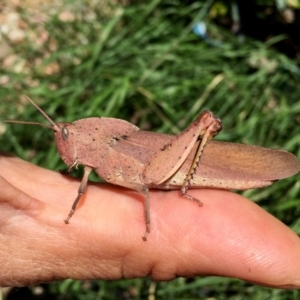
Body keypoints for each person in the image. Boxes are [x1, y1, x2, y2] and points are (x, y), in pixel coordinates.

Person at [0, 152, 299, 288]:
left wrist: (147, 227)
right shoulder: (95, 160)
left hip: (162, 170)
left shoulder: (107, 155)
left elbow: (143, 185)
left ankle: (184, 187)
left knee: (143, 184)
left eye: (65, 137)